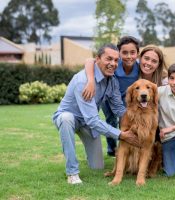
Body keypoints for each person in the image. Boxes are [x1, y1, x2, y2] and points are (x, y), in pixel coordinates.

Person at [52, 44, 140, 185]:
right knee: (66, 118)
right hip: (72, 118)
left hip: (88, 124)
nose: (113, 64)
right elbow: (93, 120)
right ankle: (72, 172)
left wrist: (137, 122)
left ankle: (89, 156)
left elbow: (119, 109)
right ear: (97, 59)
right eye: (109, 59)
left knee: (97, 166)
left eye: (116, 60)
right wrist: (121, 135)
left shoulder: (112, 81)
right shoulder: (83, 81)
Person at [82, 40, 168, 156]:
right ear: (140, 58)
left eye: (132, 53)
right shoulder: (119, 65)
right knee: (112, 121)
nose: (129, 56)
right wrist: (91, 80)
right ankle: (114, 150)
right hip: (113, 100)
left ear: (137, 54)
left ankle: (148, 152)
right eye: (146, 59)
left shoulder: (157, 75)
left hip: (135, 107)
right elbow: (90, 60)